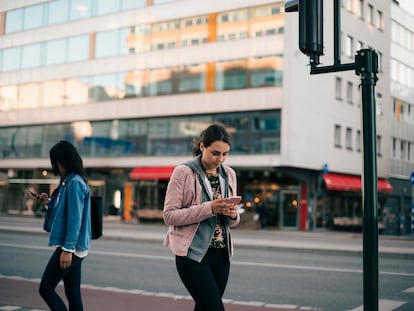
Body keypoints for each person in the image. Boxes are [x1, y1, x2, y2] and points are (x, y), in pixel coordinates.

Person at [163, 124, 240, 311]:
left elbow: (231, 222)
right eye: (215, 153)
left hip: (221, 254)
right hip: (192, 254)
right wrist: (209, 208)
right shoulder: (183, 172)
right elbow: (169, 216)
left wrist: (233, 215)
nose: (220, 159)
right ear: (202, 146)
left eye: (225, 154)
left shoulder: (229, 174)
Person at [37, 140, 91, 311]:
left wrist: (68, 249)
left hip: (71, 246)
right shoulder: (69, 181)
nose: (55, 165)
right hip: (74, 246)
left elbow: (75, 218)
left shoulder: (74, 182)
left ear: (65, 160)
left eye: (56, 161)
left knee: (45, 288)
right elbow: (64, 209)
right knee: (73, 292)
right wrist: (48, 202)